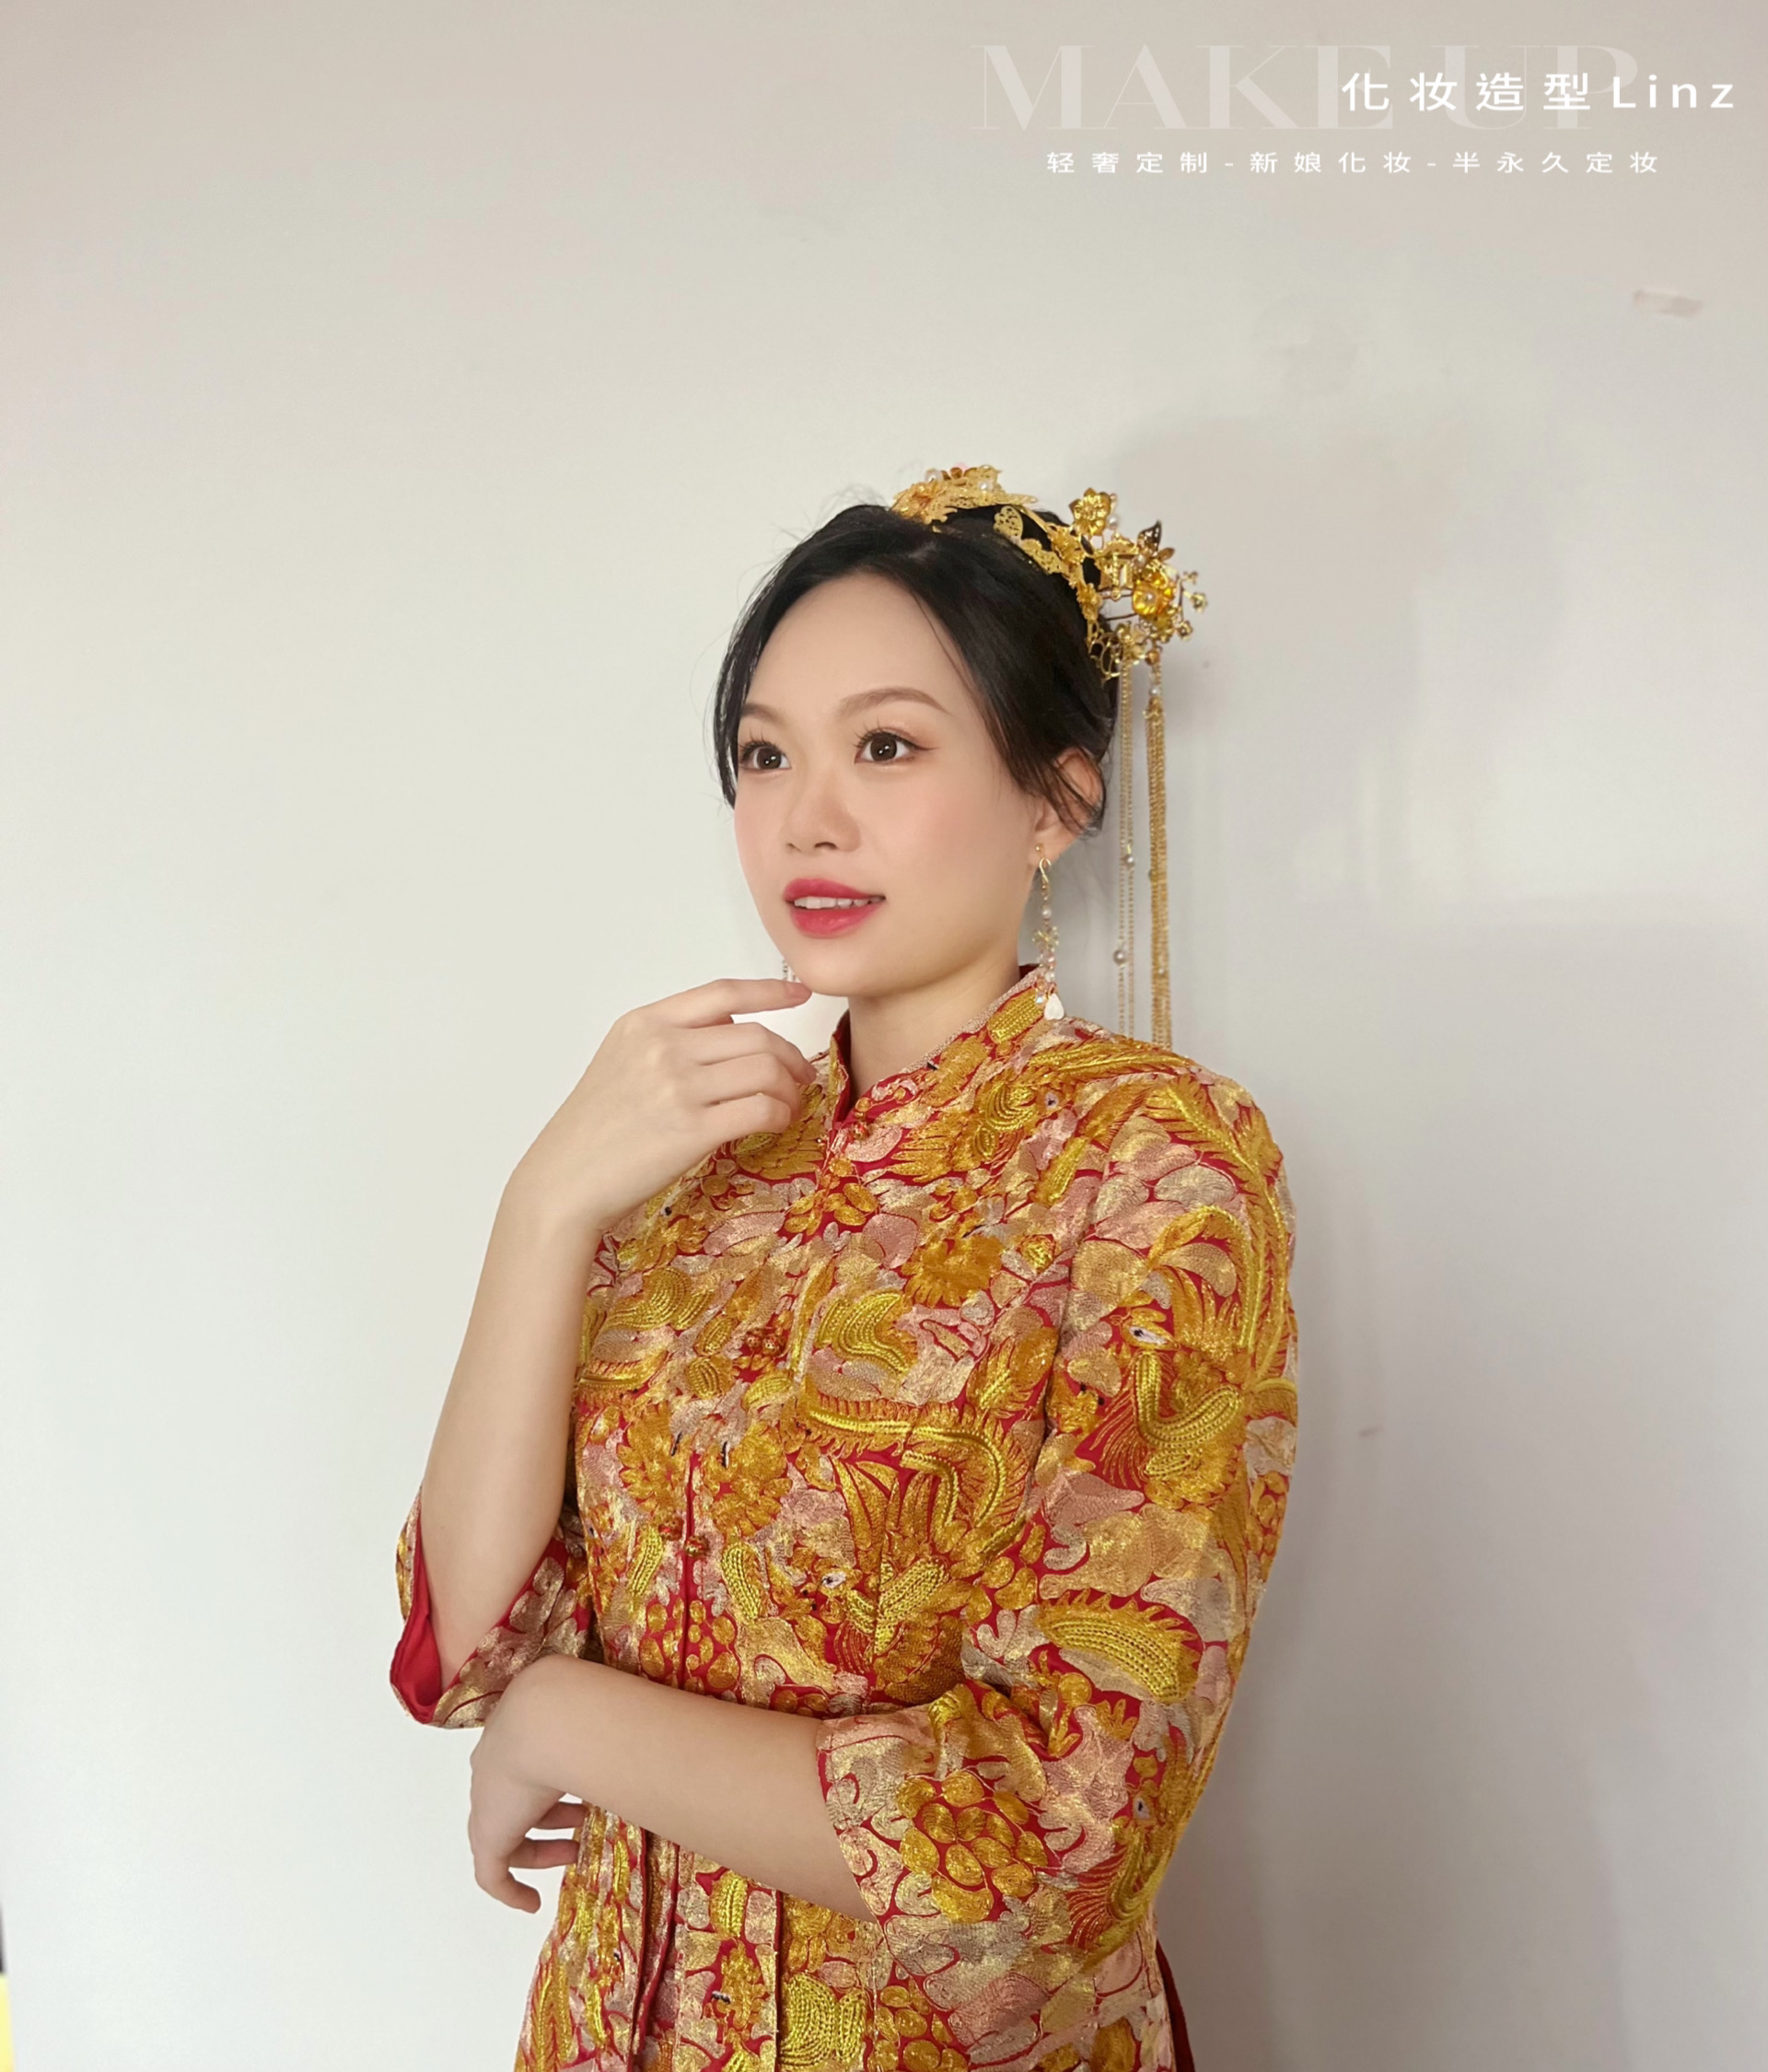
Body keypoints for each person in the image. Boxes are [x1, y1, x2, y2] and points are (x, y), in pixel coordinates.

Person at [390, 464, 1299, 2072]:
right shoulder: (691, 1163)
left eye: (886, 745)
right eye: (765, 754)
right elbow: (467, 1643)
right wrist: (543, 1206)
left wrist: (566, 1718)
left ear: (1055, 800)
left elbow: (1049, 1839)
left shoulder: (1152, 1167)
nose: (807, 815)